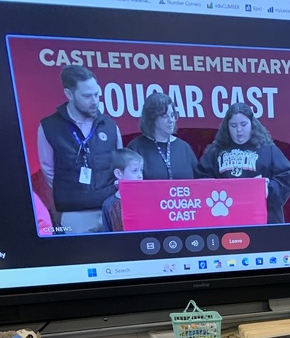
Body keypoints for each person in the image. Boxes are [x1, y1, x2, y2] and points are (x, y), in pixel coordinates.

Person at [37, 64, 122, 234]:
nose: (95, 101)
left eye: (97, 94)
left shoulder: (110, 125)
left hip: (109, 209)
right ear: (69, 94)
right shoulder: (49, 127)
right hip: (74, 214)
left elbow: (120, 163)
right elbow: (49, 171)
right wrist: (72, 192)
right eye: (87, 96)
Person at [196, 103, 290, 223]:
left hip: (264, 218)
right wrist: (211, 186)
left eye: (243, 124)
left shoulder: (268, 149)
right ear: (227, 127)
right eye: (233, 125)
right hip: (227, 219)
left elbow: (285, 175)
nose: (239, 130)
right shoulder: (215, 152)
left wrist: (268, 189)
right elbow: (201, 178)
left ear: (252, 124)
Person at [127, 92, 196, 180]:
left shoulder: (184, 148)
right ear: (152, 118)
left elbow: (198, 182)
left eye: (172, 115)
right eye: (165, 116)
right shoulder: (136, 147)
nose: (171, 120)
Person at [101, 149, 144, 232]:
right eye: (135, 170)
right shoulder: (109, 204)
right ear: (119, 174)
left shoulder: (147, 200)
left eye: (141, 170)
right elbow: (107, 233)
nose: (140, 175)